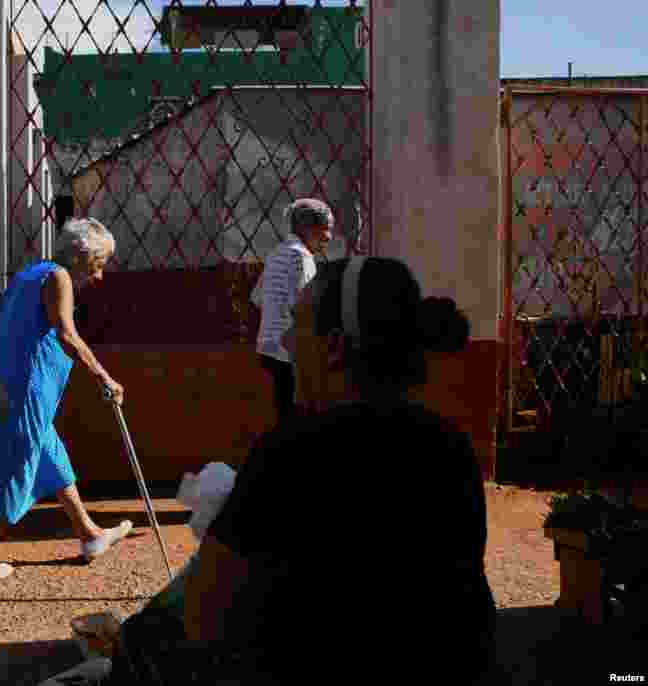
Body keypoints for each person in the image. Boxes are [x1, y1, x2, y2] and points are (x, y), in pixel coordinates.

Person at [45, 256, 497, 685]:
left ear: (335, 346)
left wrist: (127, 647)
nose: (284, 342)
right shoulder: (448, 446)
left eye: (297, 324)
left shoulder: (302, 450)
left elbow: (204, 613)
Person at [0, 217, 132, 585]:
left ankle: (90, 535)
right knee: (17, 471)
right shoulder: (59, 278)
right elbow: (67, 334)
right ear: (83, 257)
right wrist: (104, 377)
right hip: (25, 392)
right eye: (99, 264)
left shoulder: (32, 272)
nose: (98, 276)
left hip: (8, 385)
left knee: (51, 459)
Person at [250, 198, 333, 426]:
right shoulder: (302, 257)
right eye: (325, 229)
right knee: (297, 417)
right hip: (290, 351)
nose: (329, 237)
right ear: (308, 229)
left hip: (268, 347)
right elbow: (303, 307)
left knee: (283, 411)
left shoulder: (276, 253)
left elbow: (257, 298)